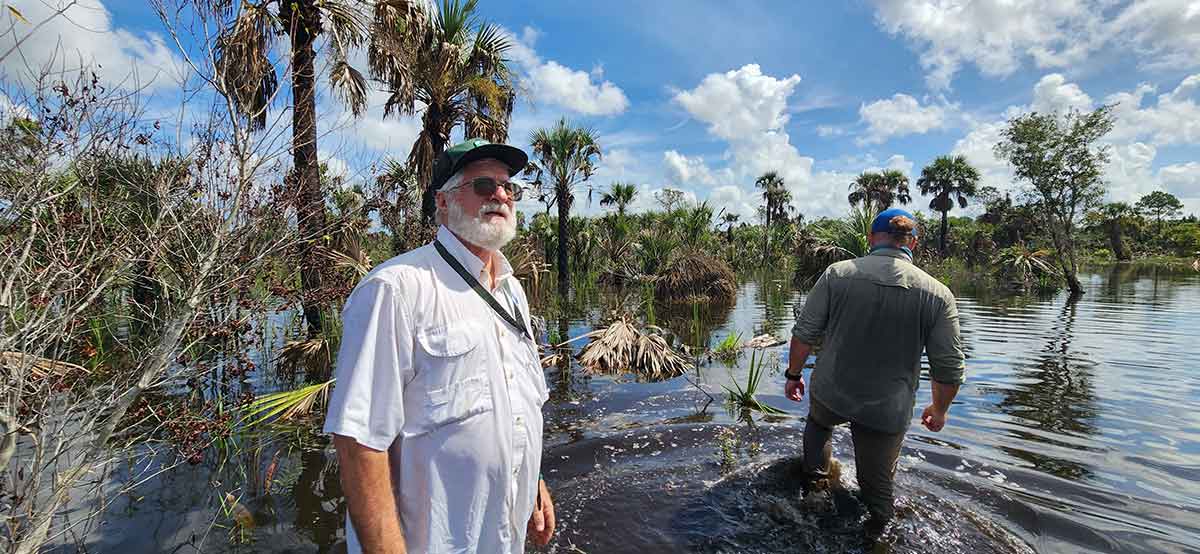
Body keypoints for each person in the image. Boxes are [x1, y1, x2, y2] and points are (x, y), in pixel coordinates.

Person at [323, 138, 555, 553]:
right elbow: (359, 443)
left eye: (508, 187)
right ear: (443, 203)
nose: (501, 195)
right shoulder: (395, 289)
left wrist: (535, 481)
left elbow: (521, 401)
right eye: (483, 185)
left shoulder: (512, 291)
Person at [783, 208, 965, 538]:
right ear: (913, 242)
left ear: (871, 238)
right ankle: (879, 533)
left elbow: (804, 334)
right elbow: (949, 368)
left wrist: (793, 375)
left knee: (819, 424)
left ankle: (815, 487)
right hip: (887, 408)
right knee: (878, 493)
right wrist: (939, 410)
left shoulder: (838, 274)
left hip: (832, 391)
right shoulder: (938, 294)